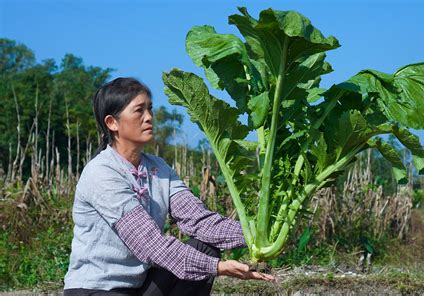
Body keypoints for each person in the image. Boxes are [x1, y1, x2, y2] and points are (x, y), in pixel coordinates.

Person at [63, 78, 274, 296]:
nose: (149, 118)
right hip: (95, 289)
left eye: (150, 109)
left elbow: (200, 222)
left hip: (140, 287)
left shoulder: (159, 169)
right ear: (112, 123)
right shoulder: (102, 173)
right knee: (203, 260)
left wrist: (261, 236)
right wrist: (218, 268)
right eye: (139, 111)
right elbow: (149, 244)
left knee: (206, 246)